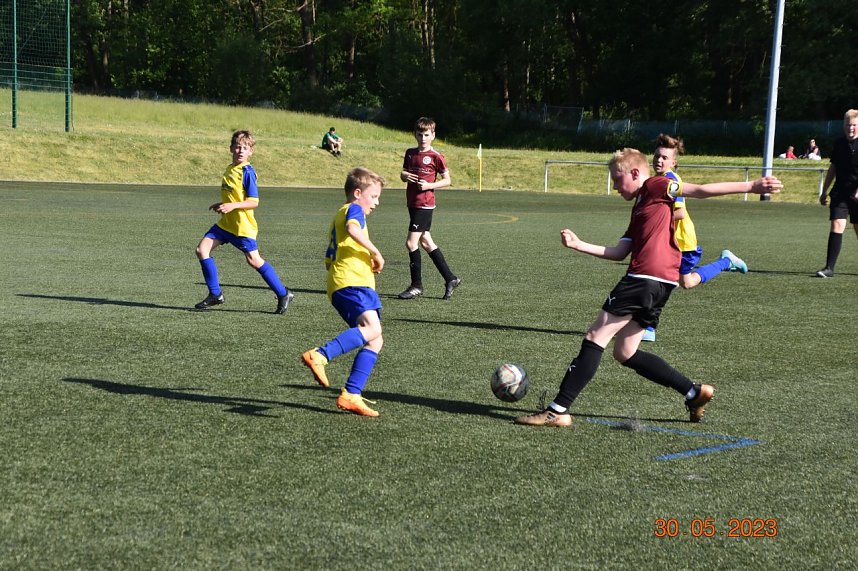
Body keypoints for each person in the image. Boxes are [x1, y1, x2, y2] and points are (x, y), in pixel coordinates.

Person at [515, 148, 782, 428]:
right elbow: (619, 252)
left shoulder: (656, 184)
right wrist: (579, 245)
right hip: (661, 283)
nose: (615, 186)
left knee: (596, 335)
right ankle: (693, 392)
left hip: (644, 278)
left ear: (634, 173)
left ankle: (557, 411)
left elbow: (699, 189)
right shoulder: (640, 206)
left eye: (617, 180)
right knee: (625, 351)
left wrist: (751, 186)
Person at [642, 134, 749, 342]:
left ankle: (648, 327)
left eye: (664, 157)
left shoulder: (672, 181)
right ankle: (727, 261)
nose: (659, 160)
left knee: (663, 281)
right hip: (671, 242)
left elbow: (679, 212)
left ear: (674, 162)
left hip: (682, 242)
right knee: (687, 282)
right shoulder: (657, 180)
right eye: (656, 156)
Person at [301, 167, 386, 417]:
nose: (377, 202)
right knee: (373, 330)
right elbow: (353, 229)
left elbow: (331, 256)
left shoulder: (341, 213)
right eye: (374, 196)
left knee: (375, 339)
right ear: (357, 193)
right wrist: (375, 252)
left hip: (347, 281)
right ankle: (320, 355)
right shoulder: (353, 210)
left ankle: (351, 394)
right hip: (352, 282)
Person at [194, 130, 293, 314]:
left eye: (245, 148)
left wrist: (232, 206)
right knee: (202, 250)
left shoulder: (247, 172)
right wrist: (224, 205)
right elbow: (233, 196)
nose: (241, 150)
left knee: (254, 260)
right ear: (231, 148)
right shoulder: (230, 168)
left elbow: (253, 202)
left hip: (242, 226)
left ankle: (283, 293)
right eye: (238, 146)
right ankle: (215, 294)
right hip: (226, 224)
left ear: (251, 152)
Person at [397, 117, 462, 300]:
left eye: (427, 134)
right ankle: (451, 278)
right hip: (412, 202)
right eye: (420, 134)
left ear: (433, 135)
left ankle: (416, 286)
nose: (423, 138)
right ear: (415, 134)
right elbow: (403, 174)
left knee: (411, 243)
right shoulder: (410, 153)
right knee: (426, 242)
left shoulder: (436, 156)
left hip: (425, 204)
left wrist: (428, 186)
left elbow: (448, 180)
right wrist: (404, 176)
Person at [815, 109, 858, 278]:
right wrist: (824, 191)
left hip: (856, 194)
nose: (851, 128)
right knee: (837, 225)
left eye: (854, 125)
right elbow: (833, 168)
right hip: (840, 193)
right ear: (843, 125)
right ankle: (829, 268)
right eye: (848, 125)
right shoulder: (839, 144)